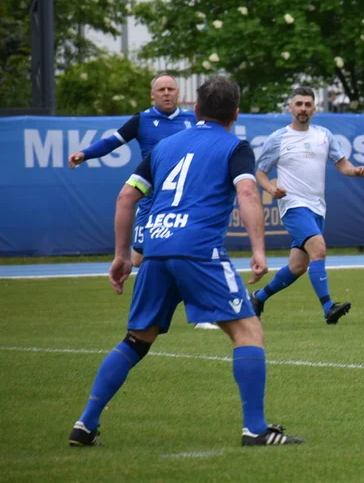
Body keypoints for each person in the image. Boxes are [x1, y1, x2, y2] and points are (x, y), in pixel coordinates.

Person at [68, 76, 303, 448]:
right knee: (247, 332)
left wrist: (121, 256)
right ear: (236, 113)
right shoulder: (235, 146)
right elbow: (246, 190)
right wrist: (259, 249)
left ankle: (85, 423)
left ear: (195, 109)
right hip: (199, 252)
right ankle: (255, 429)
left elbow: (126, 198)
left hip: (156, 250)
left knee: (136, 339)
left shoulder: (164, 147)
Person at [251, 86, 364, 324]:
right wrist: (272, 189)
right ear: (290, 107)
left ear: (314, 109)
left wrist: (355, 171)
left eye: (307, 105)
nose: (303, 108)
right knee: (319, 248)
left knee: (297, 266)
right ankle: (328, 308)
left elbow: (342, 164)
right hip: (293, 206)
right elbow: (260, 173)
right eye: (299, 104)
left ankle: (258, 298)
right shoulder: (278, 138)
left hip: (317, 207)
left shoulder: (324, 135)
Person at [68, 74, 197, 269]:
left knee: (184, 253)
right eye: (161, 90)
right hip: (150, 198)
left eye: (170, 89)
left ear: (178, 92)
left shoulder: (194, 120)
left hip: (183, 199)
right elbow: (111, 142)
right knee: (137, 259)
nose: (166, 94)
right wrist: (85, 154)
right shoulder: (142, 120)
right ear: (152, 95)